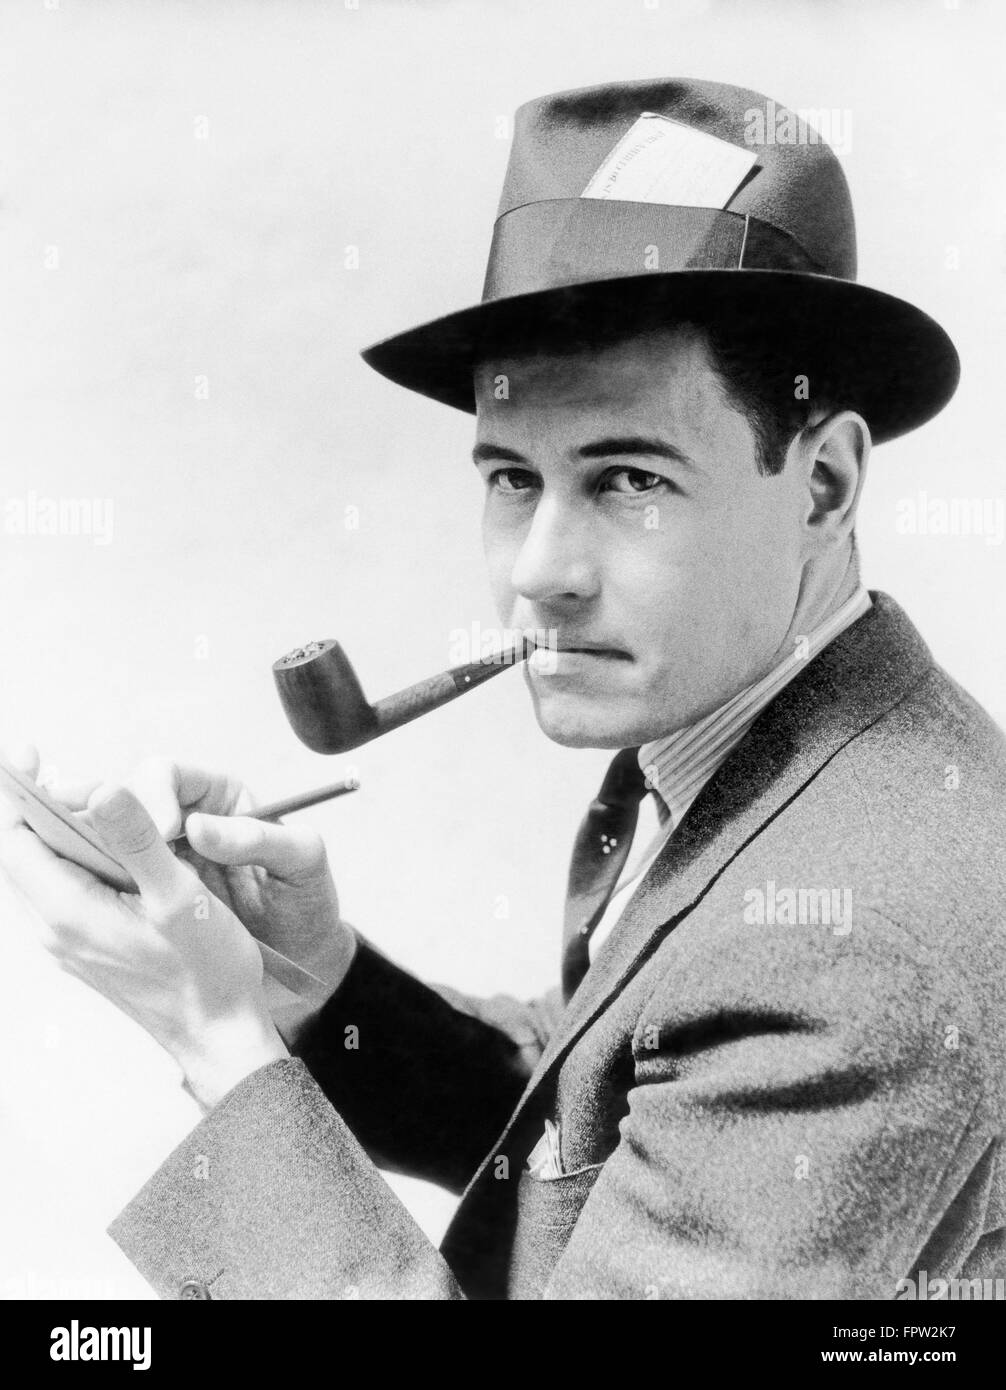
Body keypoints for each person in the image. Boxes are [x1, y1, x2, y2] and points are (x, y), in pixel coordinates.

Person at [2, 78, 1004, 1301]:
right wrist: (316, 987)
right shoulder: (743, 753)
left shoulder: (856, 951)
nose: (538, 574)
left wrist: (216, 1041)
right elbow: (611, 1100)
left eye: (629, 479)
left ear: (824, 484)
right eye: (512, 479)